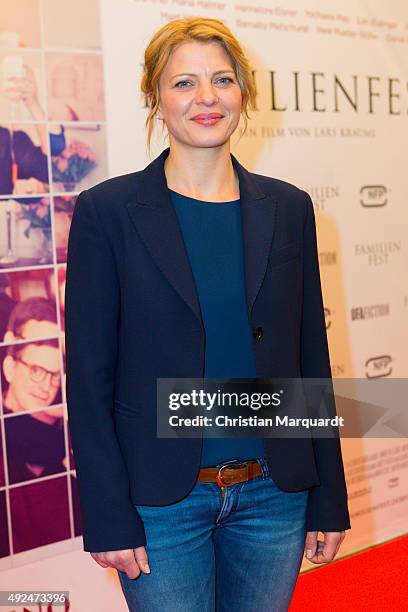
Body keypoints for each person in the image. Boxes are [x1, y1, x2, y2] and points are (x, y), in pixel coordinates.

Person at [65, 17, 351, 612]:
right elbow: (88, 380)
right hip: (160, 505)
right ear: (154, 96)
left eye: (222, 80)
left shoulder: (289, 208)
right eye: (184, 83)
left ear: (242, 92)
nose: (206, 98)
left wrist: (329, 498)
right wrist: (107, 512)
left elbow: (308, 364)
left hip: (274, 494)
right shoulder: (108, 213)